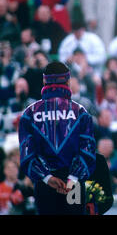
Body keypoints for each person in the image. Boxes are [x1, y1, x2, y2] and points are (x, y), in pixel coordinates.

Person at [18, 61, 96, 214]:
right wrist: (72, 178)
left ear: (44, 81)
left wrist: (46, 177)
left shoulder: (29, 114)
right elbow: (87, 151)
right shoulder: (81, 112)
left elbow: (27, 155)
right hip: (74, 184)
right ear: (68, 81)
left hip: (44, 184)